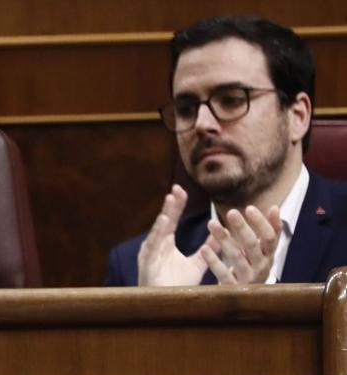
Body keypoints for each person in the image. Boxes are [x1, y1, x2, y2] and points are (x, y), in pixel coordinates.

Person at [107, 15, 347, 286]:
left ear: (297, 116)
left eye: (231, 101)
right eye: (186, 109)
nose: (201, 124)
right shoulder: (137, 268)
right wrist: (162, 311)